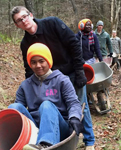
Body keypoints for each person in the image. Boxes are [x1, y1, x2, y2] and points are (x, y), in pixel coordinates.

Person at [11, 6, 95, 150]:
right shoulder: (25, 43)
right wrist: (31, 86)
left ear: (31, 15)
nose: (24, 21)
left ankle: (89, 141)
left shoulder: (52, 24)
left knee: (81, 106)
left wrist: (80, 71)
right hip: (46, 75)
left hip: (70, 72)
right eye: (19, 20)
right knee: (45, 104)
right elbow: (29, 67)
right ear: (17, 25)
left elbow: (74, 44)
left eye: (25, 16)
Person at [8, 43, 83, 149]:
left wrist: (75, 117)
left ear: (48, 61)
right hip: (35, 127)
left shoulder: (61, 80)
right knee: (13, 108)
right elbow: (18, 110)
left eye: (41, 61)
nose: (38, 65)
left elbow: (73, 102)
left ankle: (46, 145)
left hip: (59, 126)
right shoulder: (25, 85)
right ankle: (14, 143)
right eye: (33, 62)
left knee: (46, 105)